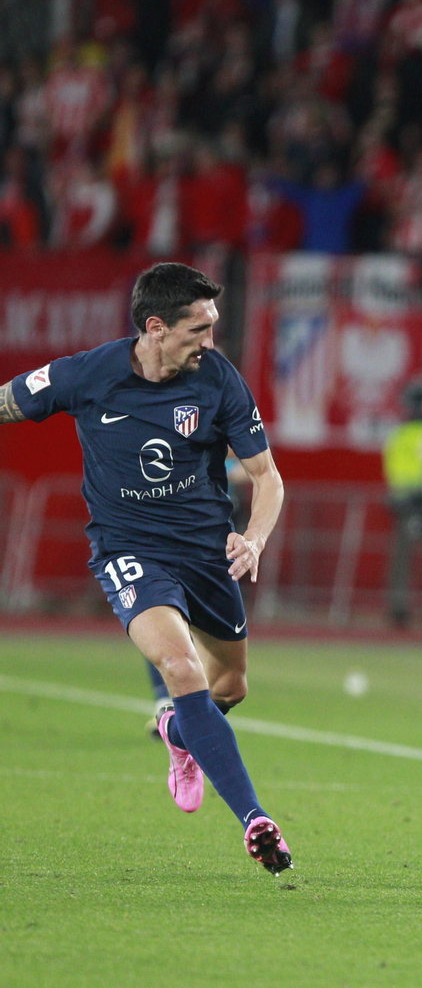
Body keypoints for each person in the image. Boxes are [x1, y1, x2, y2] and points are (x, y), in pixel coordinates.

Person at [0, 262, 292, 874]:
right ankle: (255, 819)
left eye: (212, 326)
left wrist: (254, 539)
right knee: (181, 667)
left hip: (206, 553)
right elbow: (9, 401)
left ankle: (179, 735)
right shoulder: (89, 373)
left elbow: (267, 477)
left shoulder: (218, 380)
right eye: (198, 329)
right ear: (156, 328)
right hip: (129, 550)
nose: (210, 340)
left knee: (230, 687)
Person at [382, 382, 422, 628]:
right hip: (417, 503)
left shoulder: (411, 433)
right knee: (416, 560)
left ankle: (421, 609)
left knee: (418, 560)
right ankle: (418, 610)